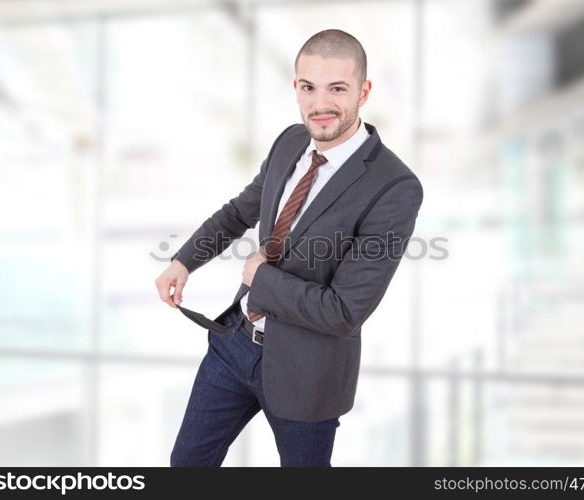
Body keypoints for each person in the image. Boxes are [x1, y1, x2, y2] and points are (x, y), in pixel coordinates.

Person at [155, 28, 423, 467]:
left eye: (338, 88)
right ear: (296, 88)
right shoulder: (289, 143)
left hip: (308, 371)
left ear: (364, 91)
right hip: (234, 344)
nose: (320, 104)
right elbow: (240, 211)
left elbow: (344, 311)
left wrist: (260, 277)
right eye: (308, 87)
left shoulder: (394, 187)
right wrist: (184, 260)